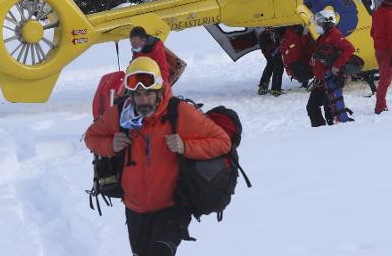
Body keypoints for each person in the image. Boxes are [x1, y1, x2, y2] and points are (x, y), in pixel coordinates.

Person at [85, 57, 231, 256]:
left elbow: (222, 142)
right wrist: (111, 145)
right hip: (134, 208)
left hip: (171, 206)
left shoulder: (178, 112)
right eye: (137, 95)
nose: (143, 100)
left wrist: (185, 146)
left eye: (148, 94)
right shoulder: (121, 114)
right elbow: (91, 137)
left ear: (159, 91)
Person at [307, 9, 355, 126]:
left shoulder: (334, 35)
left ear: (327, 22)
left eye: (319, 23)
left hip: (329, 80)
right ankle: (320, 130)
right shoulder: (323, 37)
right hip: (320, 80)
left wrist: (336, 66)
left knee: (330, 111)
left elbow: (349, 49)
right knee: (312, 106)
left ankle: (332, 134)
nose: (317, 25)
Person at [370, 0, 392, 114]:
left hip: (378, 50)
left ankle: (381, 105)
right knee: (385, 80)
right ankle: (380, 106)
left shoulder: (377, 13)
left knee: (383, 78)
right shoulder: (390, 15)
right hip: (387, 52)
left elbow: (372, 32)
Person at [257, 27, 285, 96]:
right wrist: (279, 47)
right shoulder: (264, 35)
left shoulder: (274, 33)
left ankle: (263, 86)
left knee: (270, 65)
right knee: (278, 66)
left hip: (270, 52)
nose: (271, 30)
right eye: (269, 29)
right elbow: (270, 48)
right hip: (271, 52)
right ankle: (275, 89)